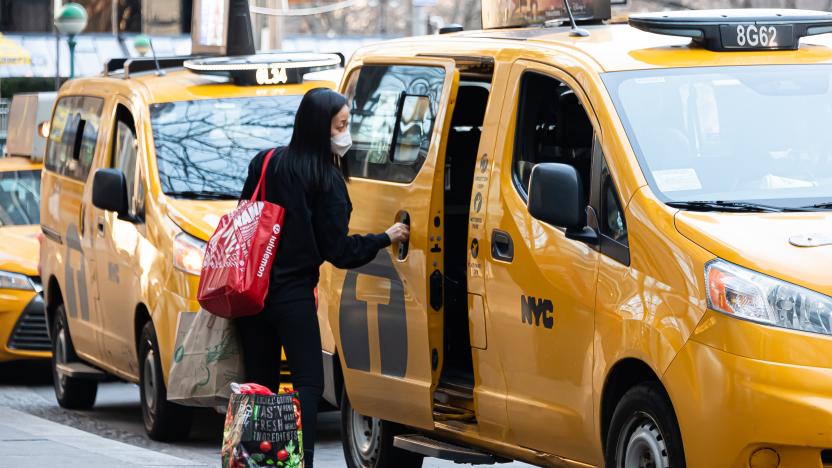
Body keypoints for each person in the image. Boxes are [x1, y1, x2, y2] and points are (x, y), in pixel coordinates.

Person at [237, 88, 409, 467]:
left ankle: (257, 462)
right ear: (321, 129)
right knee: (309, 384)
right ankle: (302, 462)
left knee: (260, 386)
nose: (346, 134)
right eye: (341, 125)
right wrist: (385, 237)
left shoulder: (266, 161)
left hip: (251, 292)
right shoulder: (327, 180)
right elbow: (338, 251)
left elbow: (245, 217)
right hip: (292, 295)